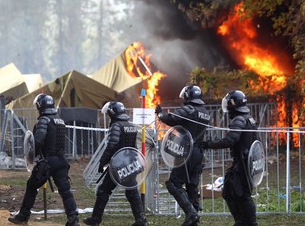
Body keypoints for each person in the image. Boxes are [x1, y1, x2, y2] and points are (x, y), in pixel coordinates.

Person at [8, 93, 80, 226]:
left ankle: (23, 216)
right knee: (65, 191)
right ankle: (73, 219)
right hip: (61, 161)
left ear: (40, 106)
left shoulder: (44, 120)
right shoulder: (59, 120)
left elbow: (38, 141)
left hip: (48, 162)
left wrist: (33, 157)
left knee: (31, 186)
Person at [200, 90, 259, 226]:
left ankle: (247, 221)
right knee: (230, 189)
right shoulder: (248, 117)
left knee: (241, 194)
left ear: (233, 104)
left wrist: (209, 144)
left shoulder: (239, 119)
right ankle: (243, 221)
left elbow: (230, 140)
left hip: (242, 164)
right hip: (246, 163)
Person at [83, 101, 147, 226]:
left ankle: (95, 219)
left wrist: (103, 162)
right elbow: (134, 148)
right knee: (132, 192)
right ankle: (141, 220)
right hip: (129, 164)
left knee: (103, 190)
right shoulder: (131, 125)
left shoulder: (116, 126)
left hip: (117, 166)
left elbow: (112, 145)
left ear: (112, 113)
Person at [155, 85, 211, 226]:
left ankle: (191, 214)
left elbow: (173, 119)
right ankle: (195, 220)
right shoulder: (205, 111)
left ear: (188, 96)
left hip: (187, 152)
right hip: (199, 153)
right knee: (192, 186)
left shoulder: (189, 109)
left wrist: (161, 114)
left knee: (173, 183)